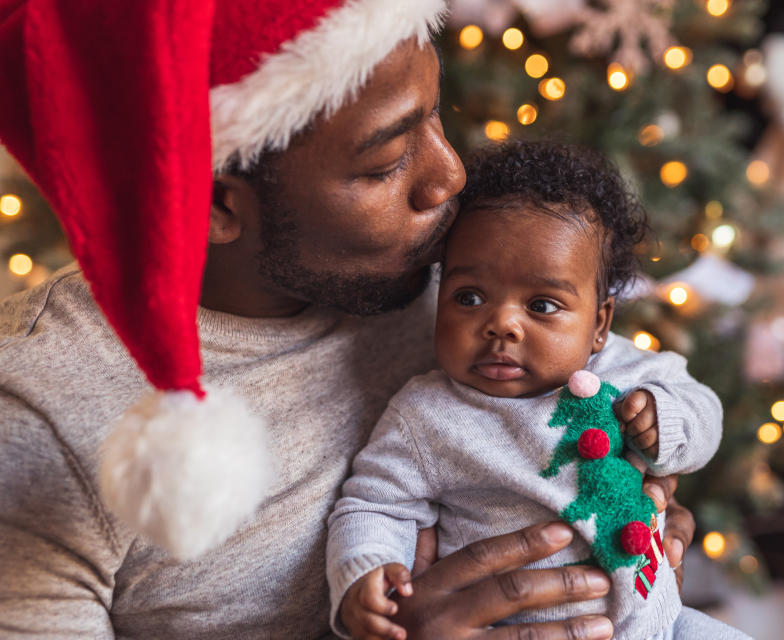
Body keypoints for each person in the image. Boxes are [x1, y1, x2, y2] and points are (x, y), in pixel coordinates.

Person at [0, 2, 696, 638]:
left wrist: (645, 497)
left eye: (436, 114)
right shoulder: (42, 415)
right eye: (387, 161)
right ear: (214, 202)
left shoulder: (451, 282)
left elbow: (607, 390)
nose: (449, 177)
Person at [328, 141, 745, 640]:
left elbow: (706, 412)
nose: (501, 324)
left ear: (599, 323)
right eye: (469, 297)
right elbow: (375, 504)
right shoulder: (427, 415)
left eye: (543, 305)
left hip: (659, 623)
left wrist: (666, 419)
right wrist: (366, 573)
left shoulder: (631, 370)